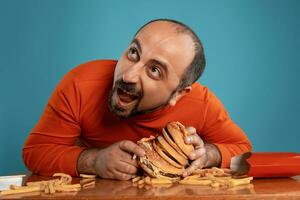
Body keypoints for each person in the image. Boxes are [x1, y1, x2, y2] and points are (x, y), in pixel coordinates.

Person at [23, 19, 251, 180]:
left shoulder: (202, 104)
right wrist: (94, 161)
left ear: (179, 94)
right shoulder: (81, 84)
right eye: (134, 53)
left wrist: (207, 155)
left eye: (154, 70)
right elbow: (36, 152)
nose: (128, 75)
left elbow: (242, 150)